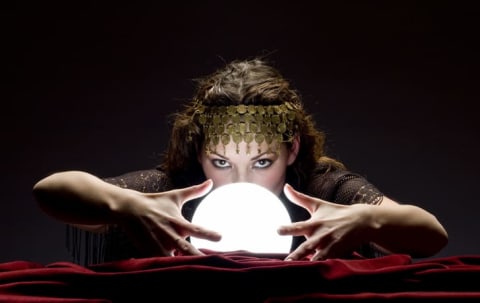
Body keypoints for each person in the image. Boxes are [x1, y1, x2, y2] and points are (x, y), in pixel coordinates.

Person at [33, 58, 448, 265]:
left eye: (263, 162)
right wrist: (124, 205)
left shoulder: (324, 191)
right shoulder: (167, 195)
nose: (241, 181)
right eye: (221, 161)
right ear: (199, 152)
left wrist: (366, 220)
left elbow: (432, 235)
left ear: (293, 150)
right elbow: (50, 190)